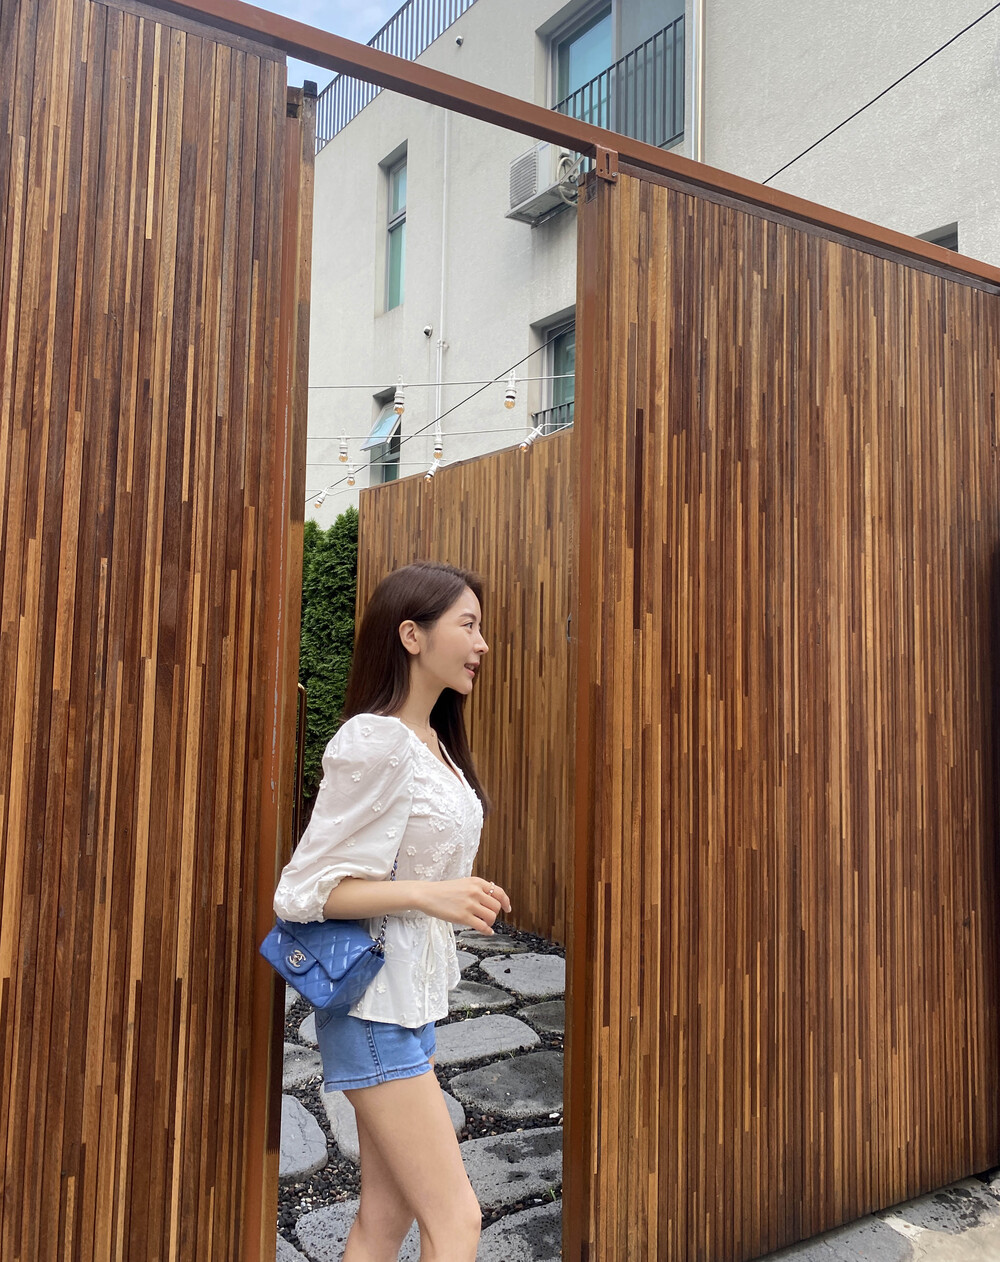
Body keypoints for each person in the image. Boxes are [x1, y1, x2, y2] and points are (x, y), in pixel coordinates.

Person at [273, 560, 510, 1262]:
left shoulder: (436, 745)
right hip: (373, 1009)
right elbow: (305, 890)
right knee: (457, 1220)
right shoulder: (374, 740)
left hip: (410, 1004)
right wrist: (427, 895)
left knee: (386, 1218)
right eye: (468, 625)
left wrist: (445, 888)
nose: (482, 644)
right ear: (412, 635)